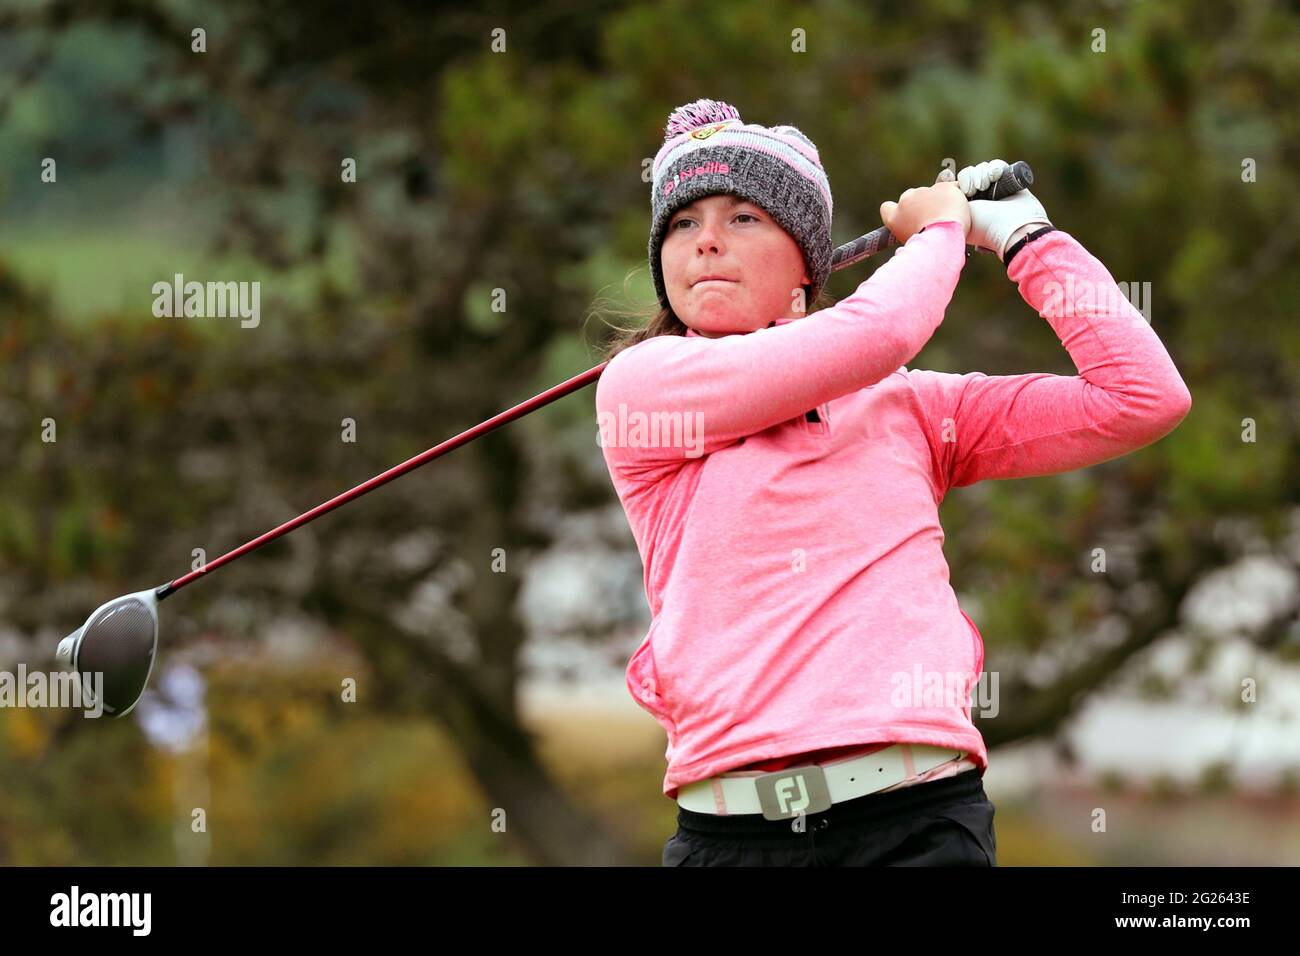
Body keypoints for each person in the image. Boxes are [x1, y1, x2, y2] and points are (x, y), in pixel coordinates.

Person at [593, 99, 1192, 866]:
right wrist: (942, 226)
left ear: (808, 263)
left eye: (743, 217)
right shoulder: (643, 388)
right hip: (729, 841)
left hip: (916, 826)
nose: (706, 240)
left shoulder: (913, 408)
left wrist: (1025, 239)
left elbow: (1141, 398)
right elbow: (882, 330)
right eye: (683, 223)